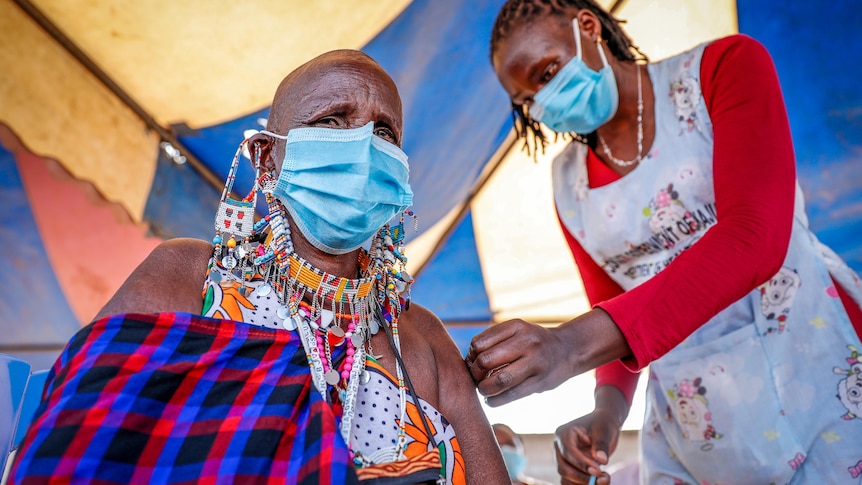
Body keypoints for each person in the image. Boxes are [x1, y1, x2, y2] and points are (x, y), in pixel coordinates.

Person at [10, 50, 508, 484]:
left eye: (384, 131)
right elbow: (79, 436)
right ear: (267, 158)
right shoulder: (191, 277)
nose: (363, 148)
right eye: (332, 121)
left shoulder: (422, 338)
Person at [466, 1, 862, 484]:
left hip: (812, 363)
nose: (544, 102)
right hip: (700, 420)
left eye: (547, 71)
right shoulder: (567, 182)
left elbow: (754, 236)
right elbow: (614, 306)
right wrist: (606, 416)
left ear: (588, 27)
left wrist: (569, 344)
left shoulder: (722, 70)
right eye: (528, 99)